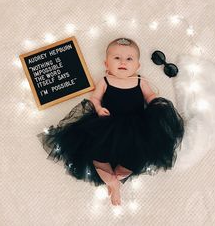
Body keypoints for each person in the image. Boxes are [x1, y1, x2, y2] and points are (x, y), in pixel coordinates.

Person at [37, 38, 185, 206]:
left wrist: (155, 104)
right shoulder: (105, 81)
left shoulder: (139, 81)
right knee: (97, 153)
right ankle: (111, 180)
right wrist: (99, 109)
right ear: (106, 64)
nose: (123, 62)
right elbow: (95, 99)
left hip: (136, 126)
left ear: (137, 66)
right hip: (106, 124)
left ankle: (116, 181)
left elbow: (150, 96)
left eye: (129, 59)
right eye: (116, 58)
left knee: (136, 155)